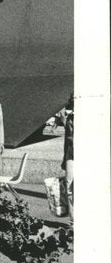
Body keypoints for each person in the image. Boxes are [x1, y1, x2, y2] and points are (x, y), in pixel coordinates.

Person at [59, 94, 74, 222]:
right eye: (73, 97)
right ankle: (73, 222)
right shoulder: (70, 118)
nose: (75, 100)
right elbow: (66, 141)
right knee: (69, 187)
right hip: (71, 155)